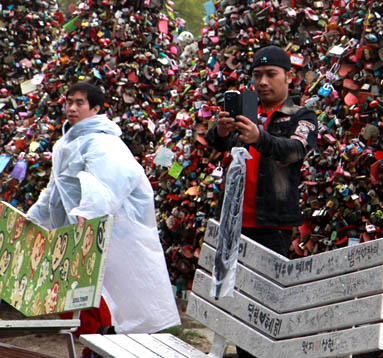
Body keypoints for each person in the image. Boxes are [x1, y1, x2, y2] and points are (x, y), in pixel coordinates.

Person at [27, 81, 180, 343]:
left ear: (95, 108)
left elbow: (107, 183)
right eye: (69, 101)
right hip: (80, 231)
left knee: (112, 300)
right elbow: (54, 190)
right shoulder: (67, 142)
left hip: (110, 233)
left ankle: (105, 342)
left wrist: (88, 215)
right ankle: (93, 344)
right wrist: (34, 218)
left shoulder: (102, 142)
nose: (72, 108)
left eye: (79, 103)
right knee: (84, 298)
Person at [207, 45, 317, 257]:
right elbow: (217, 144)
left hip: (273, 225)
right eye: (257, 75)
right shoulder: (246, 111)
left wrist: (260, 138)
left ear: (289, 77)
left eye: (271, 74)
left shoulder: (301, 115)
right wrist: (220, 132)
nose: (263, 82)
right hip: (230, 217)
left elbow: (294, 150)